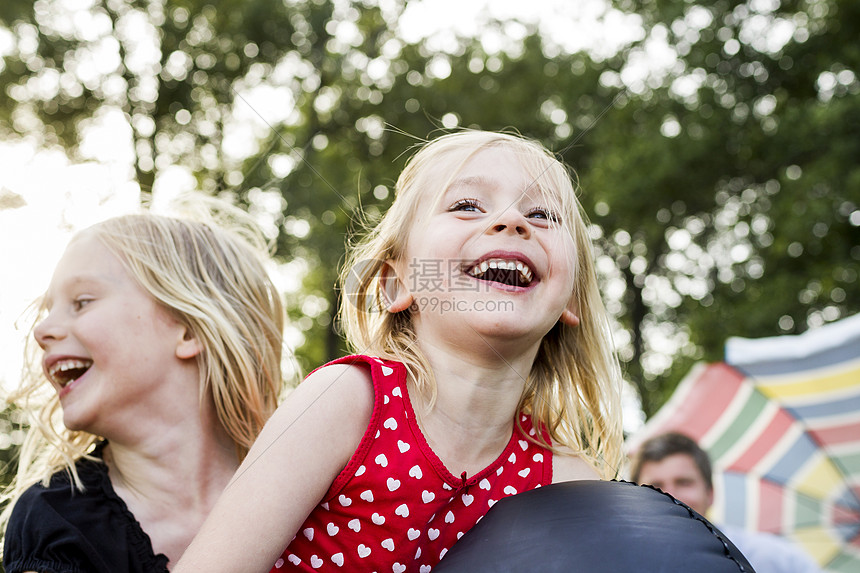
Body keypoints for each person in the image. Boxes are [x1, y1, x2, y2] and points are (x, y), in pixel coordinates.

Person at [173, 130, 625, 573]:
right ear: (397, 282)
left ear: (573, 299)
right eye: (466, 206)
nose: (512, 222)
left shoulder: (566, 482)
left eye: (543, 214)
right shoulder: (347, 403)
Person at [1, 194, 288, 573]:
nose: (42, 330)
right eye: (47, 310)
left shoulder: (307, 488)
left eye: (82, 301)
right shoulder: (55, 518)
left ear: (187, 329)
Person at [630, 432, 823, 573]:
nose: (670, 496)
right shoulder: (617, 563)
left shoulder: (776, 560)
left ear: (710, 493)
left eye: (684, 482)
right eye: (655, 486)